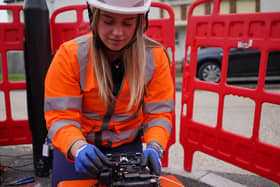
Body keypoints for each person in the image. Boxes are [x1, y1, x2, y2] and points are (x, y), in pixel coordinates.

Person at [44, 0, 174, 186]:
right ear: (93, 17)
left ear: (140, 22)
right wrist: (77, 147)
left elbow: (159, 114)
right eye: (108, 21)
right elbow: (61, 117)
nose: (118, 32)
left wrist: (155, 146)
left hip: (127, 146)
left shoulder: (155, 57)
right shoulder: (70, 55)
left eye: (128, 23)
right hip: (79, 148)